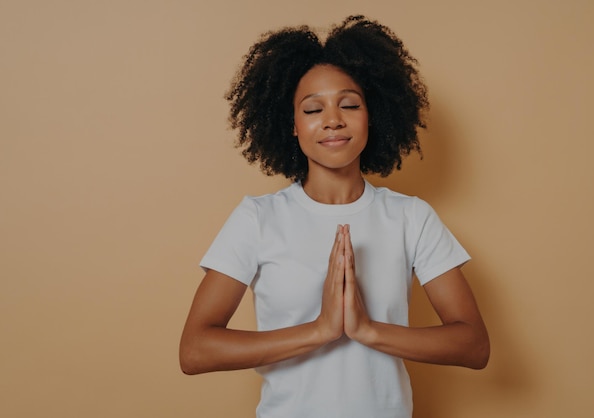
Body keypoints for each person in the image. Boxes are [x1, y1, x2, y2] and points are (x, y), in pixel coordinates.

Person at [179, 15, 489, 418]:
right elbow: (195, 350)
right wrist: (320, 331)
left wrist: (367, 330)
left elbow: (474, 346)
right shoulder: (257, 218)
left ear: (371, 115)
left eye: (349, 104)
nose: (332, 120)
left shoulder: (410, 217)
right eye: (312, 109)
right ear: (291, 124)